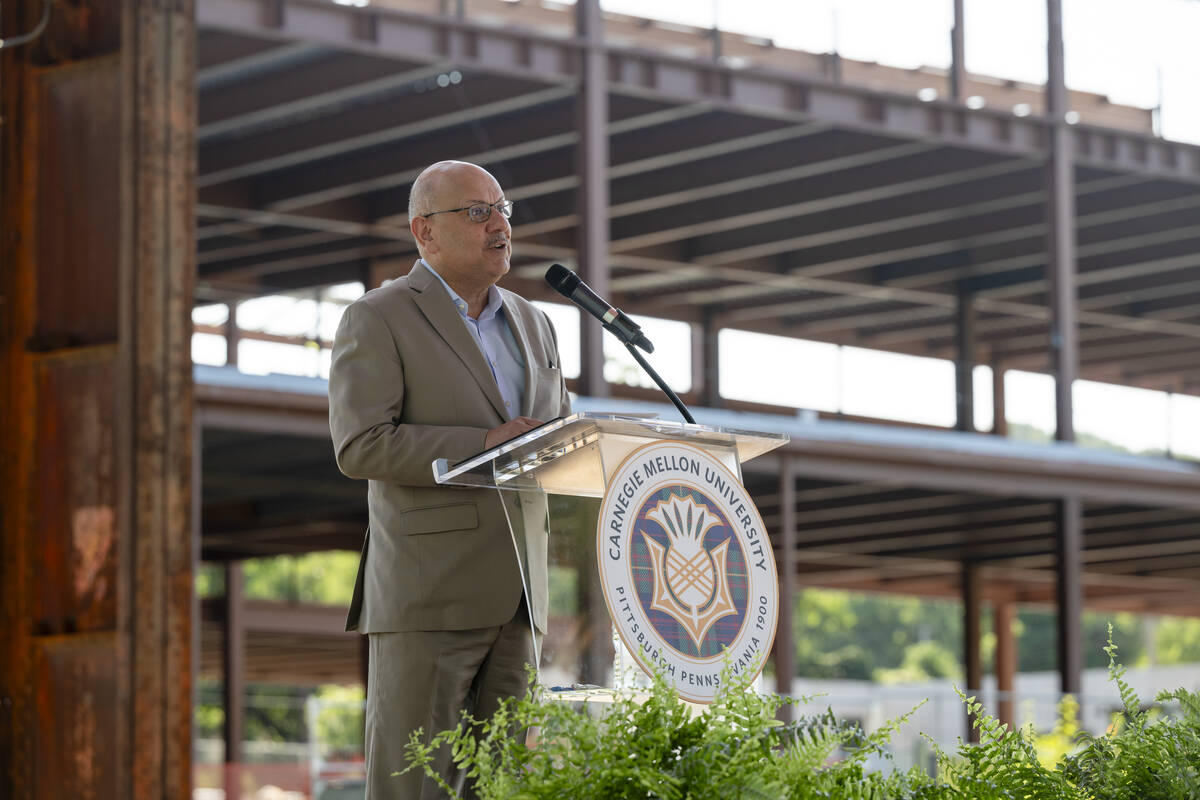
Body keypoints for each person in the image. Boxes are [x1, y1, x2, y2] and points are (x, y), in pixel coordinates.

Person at [328, 160, 571, 799]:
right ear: (425, 232)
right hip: (427, 594)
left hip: (520, 599)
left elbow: (554, 438)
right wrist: (482, 444)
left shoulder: (536, 323)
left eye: (502, 209)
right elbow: (361, 444)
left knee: (509, 788)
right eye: (477, 212)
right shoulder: (377, 317)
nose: (499, 224)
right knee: (417, 785)